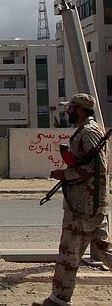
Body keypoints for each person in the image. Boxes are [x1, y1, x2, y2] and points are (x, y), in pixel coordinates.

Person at [34, 93, 112, 306]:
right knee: (102, 252)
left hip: (85, 207)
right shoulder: (87, 131)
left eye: (70, 108)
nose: (66, 111)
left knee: (69, 254)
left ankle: (58, 300)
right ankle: (58, 299)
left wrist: (65, 174)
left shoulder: (89, 132)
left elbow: (98, 169)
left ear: (78, 109)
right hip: (86, 204)